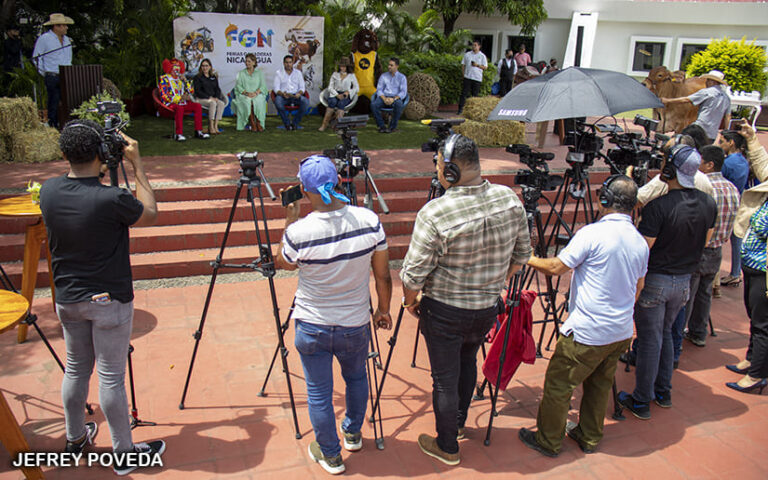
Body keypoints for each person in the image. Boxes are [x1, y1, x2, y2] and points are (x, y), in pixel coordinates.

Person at [38, 120, 166, 476]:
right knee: (111, 377)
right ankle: (124, 454)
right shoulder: (113, 199)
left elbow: (80, 191)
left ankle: (75, 437)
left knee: (76, 369)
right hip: (108, 300)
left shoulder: (47, 192)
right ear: (101, 154)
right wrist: (137, 164)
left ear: (63, 154)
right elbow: (151, 214)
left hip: (67, 299)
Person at [400, 134, 531, 466]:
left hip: (444, 311)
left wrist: (409, 301)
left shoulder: (435, 212)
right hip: (486, 308)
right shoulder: (509, 198)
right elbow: (522, 256)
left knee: (444, 377)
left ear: (451, 169)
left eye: (439, 165)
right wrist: (495, 281)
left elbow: (412, 275)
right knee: (467, 360)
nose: (438, 170)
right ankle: (457, 424)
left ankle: (447, 446)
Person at [275, 155, 392, 475]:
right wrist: (383, 310)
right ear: (339, 182)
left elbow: (283, 263)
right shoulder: (368, 220)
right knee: (356, 378)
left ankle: (331, 454)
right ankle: (353, 433)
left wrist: (290, 219)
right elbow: (383, 275)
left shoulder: (299, 232)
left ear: (302, 189)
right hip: (355, 324)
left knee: (319, 392)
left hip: (312, 324)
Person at [518, 175, 648, 457]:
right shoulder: (639, 242)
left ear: (604, 201)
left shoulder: (593, 233)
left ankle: (548, 440)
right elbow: (639, 287)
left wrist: (525, 257)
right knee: (599, 385)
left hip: (589, 331)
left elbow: (555, 267)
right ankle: (589, 436)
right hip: (621, 330)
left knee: (558, 384)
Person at [618, 145, 716, 420]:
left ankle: (641, 400)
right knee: (667, 333)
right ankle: (663, 392)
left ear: (669, 170)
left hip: (657, 280)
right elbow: (705, 242)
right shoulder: (709, 203)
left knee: (650, 339)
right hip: (684, 281)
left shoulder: (658, 207)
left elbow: (642, 250)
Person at [725, 121, 768, 394]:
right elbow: (763, 167)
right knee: (755, 316)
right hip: (753, 265)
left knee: (763, 323)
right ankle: (752, 360)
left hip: (764, 270)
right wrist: (752, 140)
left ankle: (757, 374)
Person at [682, 145, 740, 348]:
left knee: (687, 294)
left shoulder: (705, 187)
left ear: (709, 164)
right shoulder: (732, 188)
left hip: (700, 247)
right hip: (716, 249)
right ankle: (698, 332)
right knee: (704, 293)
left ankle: (679, 331)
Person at [661, 70, 731, 143]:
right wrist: (726, 131)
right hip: (712, 134)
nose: (706, 82)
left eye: (708, 80)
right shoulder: (726, 98)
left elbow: (686, 99)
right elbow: (727, 116)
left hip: (699, 129)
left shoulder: (707, 92)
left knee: (681, 143)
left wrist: (668, 100)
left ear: (712, 81)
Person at [717, 129, 749, 287]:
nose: (719, 144)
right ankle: (736, 272)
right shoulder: (743, 160)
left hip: (725, 204)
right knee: (737, 240)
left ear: (731, 143)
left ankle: (720, 277)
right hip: (739, 202)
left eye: (722, 141)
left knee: (716, 239)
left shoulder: (727, 163)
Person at [32, 13, 73, 129]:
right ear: (56, 26)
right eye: (64, 25)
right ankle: (52, 124)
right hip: (52, 74)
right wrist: (45, 72)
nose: (66, 28)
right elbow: (37, 57)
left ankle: (64, 124)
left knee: (67, 101)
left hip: (65, 74)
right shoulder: (45, 39)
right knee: (54, 101)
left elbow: (68, 58)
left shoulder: (67, 40)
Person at [158, 58, 209, 142]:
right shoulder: (164, 79)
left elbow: (191, 91)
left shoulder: (180, 79)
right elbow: (164, 95)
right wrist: (179, 98)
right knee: (179, 108)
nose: (176, 70)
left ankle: (198, 131)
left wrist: (185, 81)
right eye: (174, 68)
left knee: (197, 106)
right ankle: (178, 134)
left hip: (182, 102)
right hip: (170, 103)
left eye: (178, 68)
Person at [319, 57, 359, 131]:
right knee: (332, 102)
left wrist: (348, 92)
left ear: (347, 67)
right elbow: (330, 87)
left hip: (345, 94)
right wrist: (336, 94)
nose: (341, 68)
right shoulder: (335, 74)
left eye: (343, 66)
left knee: (341, 104)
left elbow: (357, 88)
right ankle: (324, 125)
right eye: (341, 66)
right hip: (335, 93)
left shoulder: (351, 76)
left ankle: (338, 126)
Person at [273, 55, 308, 130]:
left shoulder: (298, 73)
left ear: (293, 63)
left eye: (290, 62)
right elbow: (276, 88)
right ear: (283, 63)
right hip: (284, 96)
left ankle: (295, 123)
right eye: (286, 62)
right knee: (278, 102)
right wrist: (282, 94)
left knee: (305, 102)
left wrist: (299, 93)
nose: (288, 64)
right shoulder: (279, 73)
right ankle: (287, 124)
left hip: (295, 96)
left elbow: (302, 87)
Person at [233, 53, 267, 132]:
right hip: (244, 94)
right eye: (246, 61)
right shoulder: (241, 73)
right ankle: (252, 122)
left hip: (257, 94)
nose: (247, 63)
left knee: (259, 101)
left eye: (249, 61)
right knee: (247, 101)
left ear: (254, 62)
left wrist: (255, 93)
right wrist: (247, 93)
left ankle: (259, 122)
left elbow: (263, 86)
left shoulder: (259, 73)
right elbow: (238, 86)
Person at [193, 58, 227, 134]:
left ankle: (216, 125)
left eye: (206, 66)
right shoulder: (197, 78)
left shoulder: (213, 77)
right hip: (201, 99)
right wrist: (209, 97)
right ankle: (211, 126)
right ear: (200, 67)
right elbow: (198, 91)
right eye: (203, 66)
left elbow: (217, 89)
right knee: (213, 103)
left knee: (221, 103)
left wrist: (217, 98)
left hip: (212, 98)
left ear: (210, 67)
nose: (205, 68)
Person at [457, 40, 487, 115]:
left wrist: (477, 65)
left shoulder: (482, 56)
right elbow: (463, 65)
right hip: (468, 77)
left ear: (479, 46)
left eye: (475, 45)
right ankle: (460, 109)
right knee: (464, 93)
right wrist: (463, 74)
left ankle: (473, 111)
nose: (474, 47)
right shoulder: (467, 54)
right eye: (473, 45)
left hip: (477, 78)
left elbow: (485, 67)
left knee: (475, 95)